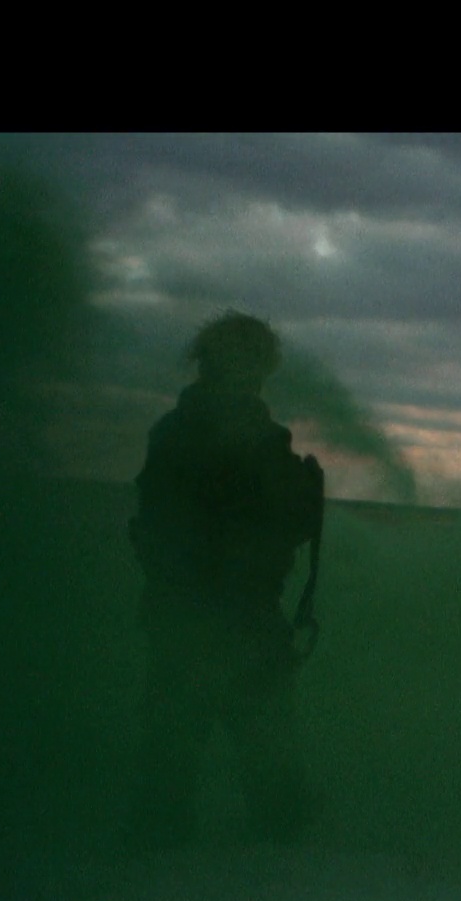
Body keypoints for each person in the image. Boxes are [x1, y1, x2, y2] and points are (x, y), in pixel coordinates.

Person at [127, 311, 324, 849]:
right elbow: (288, 524)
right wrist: (306, 492)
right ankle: (276, 832)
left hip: (182, 608)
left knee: (174, 736)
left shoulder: (172, 432)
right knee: (262, 733)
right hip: (241, 611)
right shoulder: (259, 439)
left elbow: (154, 522)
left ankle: (159, 834)